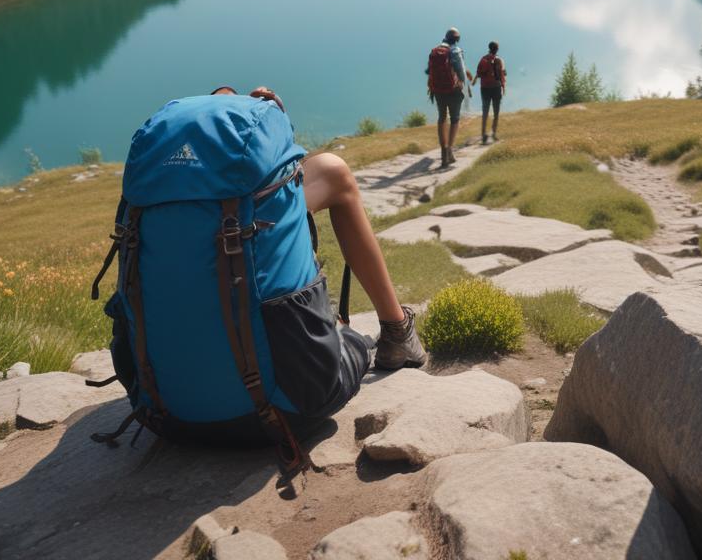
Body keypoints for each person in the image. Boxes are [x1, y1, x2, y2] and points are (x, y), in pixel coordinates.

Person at [214, 85, 426, 372]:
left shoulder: (163, 199)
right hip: (279, 384)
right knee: (333, 170)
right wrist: (266, 121)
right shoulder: (251, 200)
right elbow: (277, 174)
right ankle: (397, 330)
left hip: (170, 391)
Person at [426, 28, 471, 168]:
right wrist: (466, 87)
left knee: (442, 118)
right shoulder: (456, 51)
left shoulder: (435, 51)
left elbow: (428, 71)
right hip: (453, 90)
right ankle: (450, 151)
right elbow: (461, 74)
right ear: (457, 39)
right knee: (455, 118)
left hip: (438, 91)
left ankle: (443, 153)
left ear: (445, 37)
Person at [472, 41, 506, 144]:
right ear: (497, 49)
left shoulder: (483, 59)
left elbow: (478, 73)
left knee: (485, 112)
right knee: (496, 113)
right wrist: (503, 87)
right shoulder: (499, 60)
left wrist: (474, 81)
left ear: (489, 48)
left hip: (485, 89)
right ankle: (494, 134)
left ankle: (483, 135)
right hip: (496, 88)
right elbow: (502, 75)